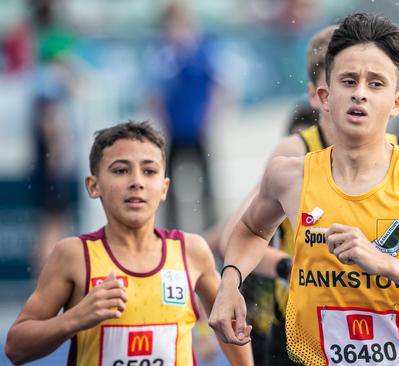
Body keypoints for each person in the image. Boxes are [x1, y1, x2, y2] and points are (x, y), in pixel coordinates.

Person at [209, 13, 399, 366]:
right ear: (324, 96)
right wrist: (230, 282)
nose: (360, 93)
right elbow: (250, 229)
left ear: (397, 103)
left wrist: (388, 265)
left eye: (376, 83)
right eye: (349, 81)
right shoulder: (289, 175)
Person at [4, 121, 252, 365]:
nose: (137, 181)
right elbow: (15, 348)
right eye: (121, 170)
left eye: (149, 171)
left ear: (164, 188)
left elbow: (230, 329)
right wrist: (75, 318)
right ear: (93, 186)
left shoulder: (191, 251)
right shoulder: (73, 256)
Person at [148, 2, 219, 231]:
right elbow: (154, 94)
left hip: (198, 129)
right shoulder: (163, 57)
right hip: (174, 131)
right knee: (169, 185)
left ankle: (211, 228)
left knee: (207, 184)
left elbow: (218, 88)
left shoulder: (202, 54)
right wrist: (162, 123)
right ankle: (171, 230)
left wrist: (209, 119)